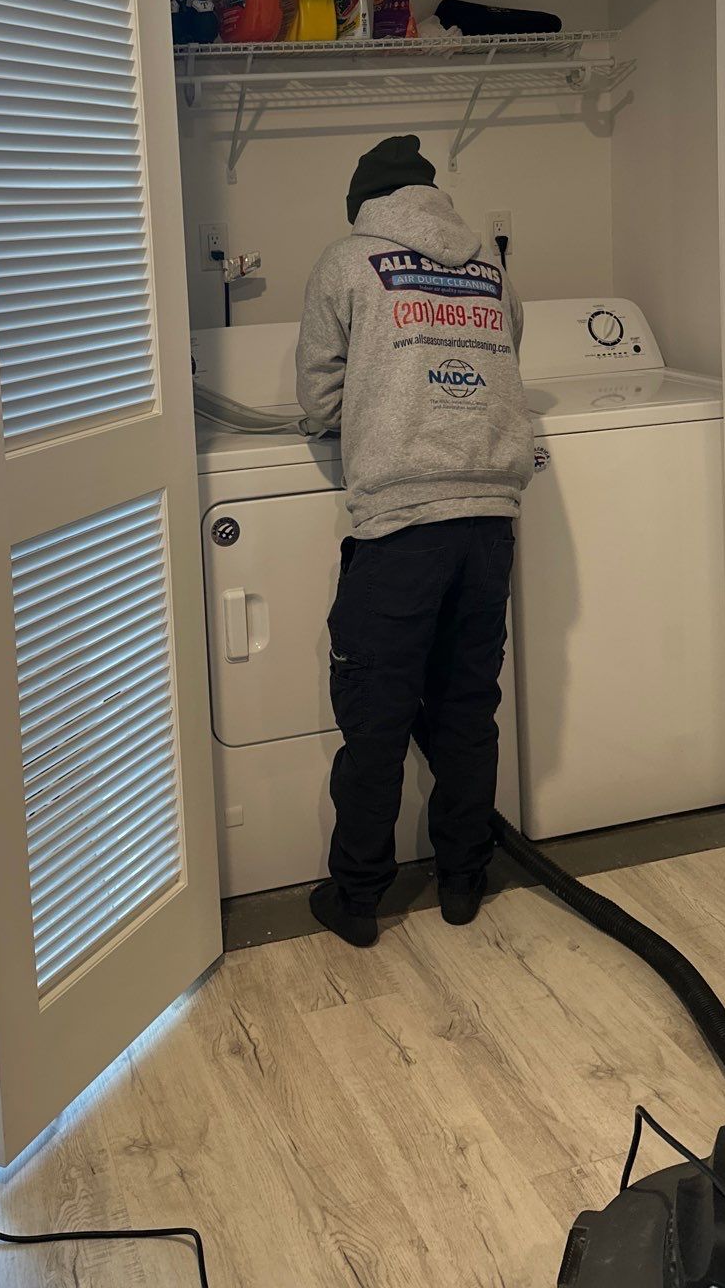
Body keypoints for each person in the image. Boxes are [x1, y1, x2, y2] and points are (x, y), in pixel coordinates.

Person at [296, 134, 534, 948]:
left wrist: (357, 417)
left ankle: (358, 898)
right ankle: (464, 878)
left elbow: (321, 391)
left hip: (400, 526)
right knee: (467, 708)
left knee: (377, 714)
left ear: (365, 203)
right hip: (489, 521)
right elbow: (508, 358)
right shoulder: (489, 268)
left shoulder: (347, 261)